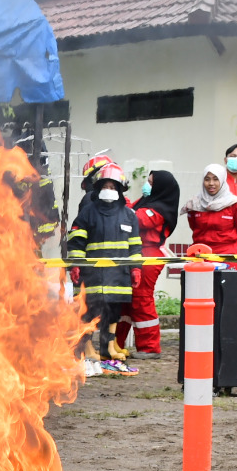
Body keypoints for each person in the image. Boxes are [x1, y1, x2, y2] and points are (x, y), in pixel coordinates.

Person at [66, 156, 140, 376]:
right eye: (105, 186)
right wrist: (76, 266)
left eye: (113, 186)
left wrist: (136, 268)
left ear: (119, 189)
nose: (109, 189)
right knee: (89, 315)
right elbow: (77, 241)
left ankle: (108, 351)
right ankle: (87, 351)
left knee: (112, 315)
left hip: (119, 278)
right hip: (94, 277)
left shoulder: (129, 215)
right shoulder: (88, 212)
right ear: (98, 188)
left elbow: (135, 245)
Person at [115, 169, 179, 358]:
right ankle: (116, 343)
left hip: (149, 257)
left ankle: (150, 347)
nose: (147, 185)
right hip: (136, 255)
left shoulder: (159, 209)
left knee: (141, 299)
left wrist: (120, 200)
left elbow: (134, 218)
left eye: (151, 183)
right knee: (125, 301)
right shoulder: (145, 203)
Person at [183, 165, 237, 255]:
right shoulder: (194, 204)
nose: (211, 183)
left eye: (216, 179)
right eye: (207, 179)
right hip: (200, 253)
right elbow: (193, 226)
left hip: (228, 254)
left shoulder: (236, 204)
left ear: (223, 180)